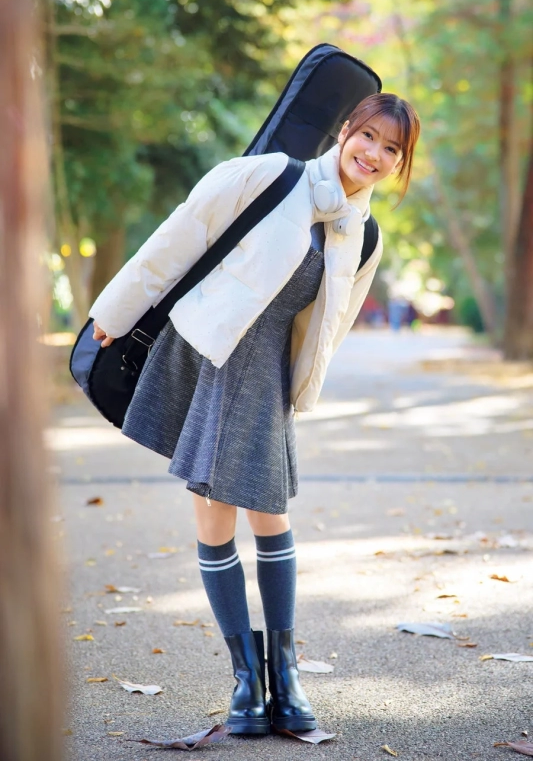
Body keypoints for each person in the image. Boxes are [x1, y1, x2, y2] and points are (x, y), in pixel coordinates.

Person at [89, 92, 420, 735]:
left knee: (270, 513)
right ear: (346, 128)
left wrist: (299, 390)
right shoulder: (269, 176)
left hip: (264, 373)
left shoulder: (366, 234)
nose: (374, 155)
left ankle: (284, 674)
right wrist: (115, 310)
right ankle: (246, 679)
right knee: (216, 512)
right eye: (369, 137)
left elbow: (331, 327)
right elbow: (179, 236)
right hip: (208, 352)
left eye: (392, 150)